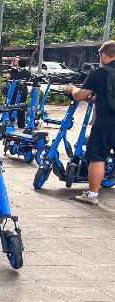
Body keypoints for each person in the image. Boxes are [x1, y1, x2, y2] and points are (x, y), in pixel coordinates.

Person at [66, 40, 115, 205]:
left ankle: (92, 195)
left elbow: (80, 95)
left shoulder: (99, 73)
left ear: (103, 55)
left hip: (105, 123)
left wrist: (72, 89)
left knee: (98, 156)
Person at [3, 57, 30, 128]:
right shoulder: (28, 72)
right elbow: (28, 80)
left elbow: (8, 78)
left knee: (11, 105)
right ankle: (21, 124)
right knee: (22, 106)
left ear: (19, 63)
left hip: (15, 89)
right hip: (24, 90)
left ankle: (9, 121)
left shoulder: (14, 71)